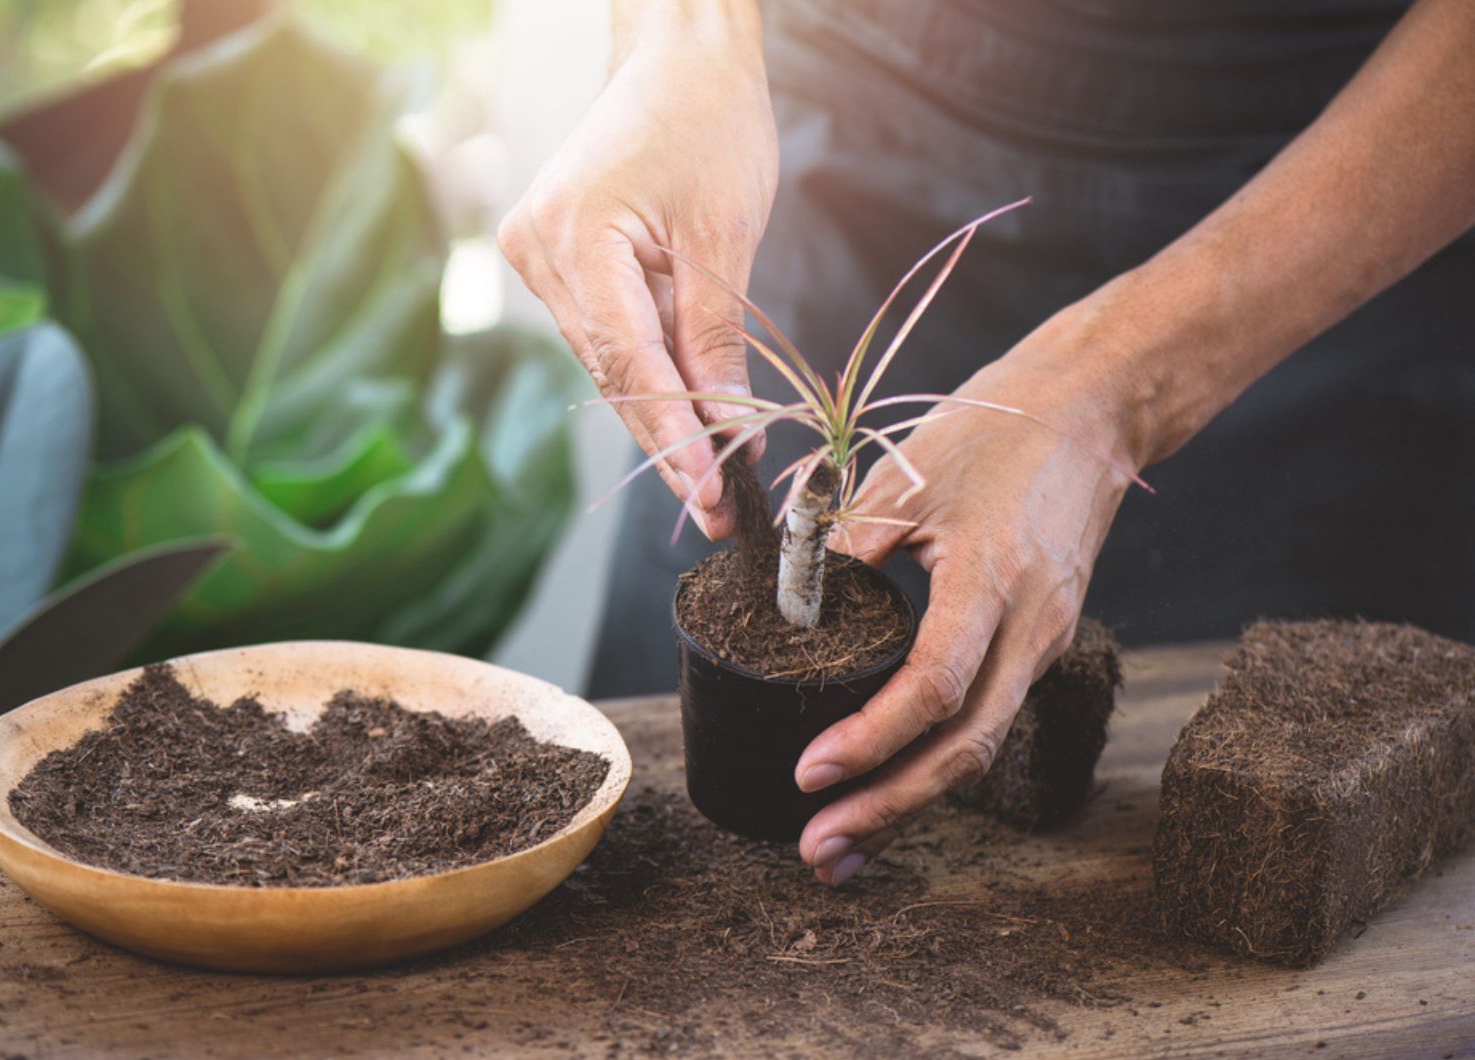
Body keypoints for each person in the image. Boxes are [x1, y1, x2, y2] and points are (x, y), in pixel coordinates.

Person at [499, 0, 1475, 886]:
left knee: (1270, 836)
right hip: (828, 146)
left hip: (1331, 196)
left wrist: (1115, 391)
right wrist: (682, 37)